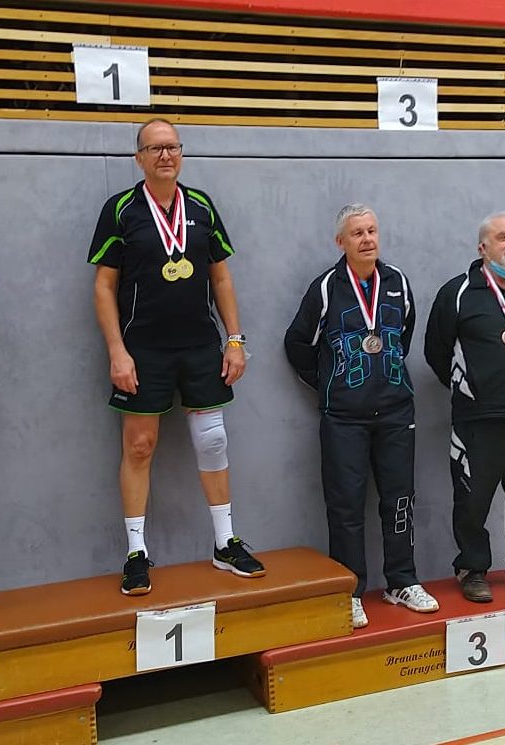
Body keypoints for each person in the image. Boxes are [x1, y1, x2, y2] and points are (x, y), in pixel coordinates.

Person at [88, 118, 265, 596]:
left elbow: (221, 277)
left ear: (181, 153)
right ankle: (136, 552)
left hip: (201, 346)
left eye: (172, 147)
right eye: (155, 148)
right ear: (139, 158)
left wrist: (235, 339)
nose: (165, 155)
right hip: (142, 349)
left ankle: (225, 543)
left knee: (213, 441)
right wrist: (117, 351)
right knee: (140, 446)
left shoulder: (202, 205)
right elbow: (103, 287)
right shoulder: (121, 209)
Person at [284, 203, 438, 629]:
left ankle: (402, 581)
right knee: (346, 505)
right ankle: (350, 591)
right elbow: (297, 343)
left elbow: (403, 335)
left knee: (400, 498)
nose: (367, 239)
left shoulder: (398, 282)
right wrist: (329, 383)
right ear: (341, 242)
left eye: (372, 230)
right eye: (357, 233)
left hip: (395, 412)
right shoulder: (325, 288)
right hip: (344, 418)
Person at [424, 212, 505, 604]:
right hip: (478, 421)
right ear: (483, 247)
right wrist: (470, 389)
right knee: (472, 501)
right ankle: (472, 568)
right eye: (503, 237)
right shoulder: (458, 293)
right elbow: (436, 351)